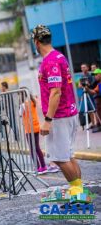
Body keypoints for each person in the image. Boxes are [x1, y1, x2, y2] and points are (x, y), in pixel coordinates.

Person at [31, 24, 82, 197]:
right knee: (68, 156)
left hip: (59, 117)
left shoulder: (51, 60)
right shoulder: (59, 56)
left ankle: (78, 194)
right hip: (68, 113)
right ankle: (78, 191)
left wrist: (48, 120)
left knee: (60, 158)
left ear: (36, 42)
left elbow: (56, 91)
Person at [19, 87, 47, 174]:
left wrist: (20, 103)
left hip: (29, 128)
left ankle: (37, 167)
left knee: (32, 149)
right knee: (37, 147)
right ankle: (44, 166)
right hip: (36, 127)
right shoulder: (33, 101)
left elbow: (20, 114)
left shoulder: (23, 105)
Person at [78, 63, 97, 128]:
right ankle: (93, 123)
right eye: (82, 68)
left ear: (87, 68)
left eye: (84, 67)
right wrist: (82, 85)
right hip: (85, 94)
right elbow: (79, 85)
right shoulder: (81, 76)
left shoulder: (91, 76)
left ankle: (98, 123)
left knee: (94, 109)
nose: (83, 69)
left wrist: (88, 85)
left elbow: (92, 85)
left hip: (91, 94)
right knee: (89, 110)